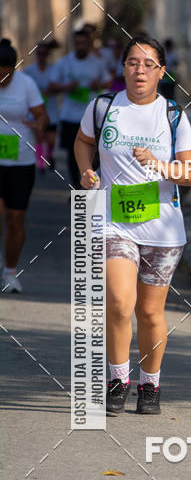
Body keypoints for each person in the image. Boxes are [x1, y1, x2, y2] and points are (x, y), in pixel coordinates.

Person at [75, 33, 191, 415]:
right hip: (114, 223)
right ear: (123, 68)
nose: (139, 71)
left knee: (149, 313)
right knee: (118, 301)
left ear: (161, 71)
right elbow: (83, 142)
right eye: (132, 63)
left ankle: (150, 384)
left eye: (148, 64)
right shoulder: (103, 106)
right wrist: (86, 170)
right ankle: (118, 379)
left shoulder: (173, 115)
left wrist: (158, 165)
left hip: (162, 228)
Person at [0, 38, 49, 293]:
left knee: (15, 219)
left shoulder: (26, 84)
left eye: (6, 74)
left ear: (13, 69)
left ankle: (10, 272)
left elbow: (42, 116)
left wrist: (39, 125)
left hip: (21, 161)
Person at [51, 29, 109, 188]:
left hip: (92, 115)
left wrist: (98, 85)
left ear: (89, 43)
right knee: (72, 153)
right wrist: (67, 87)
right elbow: (52, 85)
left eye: (83, 43)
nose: (80, 46)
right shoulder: (64, 62)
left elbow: (108, 82)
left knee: (95, 152)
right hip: (69, 116)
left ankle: (90, 185)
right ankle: (76, 187)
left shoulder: (97, 63)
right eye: (77, 43)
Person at [24, 40, 60, 172]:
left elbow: (59, 87)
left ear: (48, 55)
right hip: (36, 111)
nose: (42, 56)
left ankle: (49, 155)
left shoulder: (54, 70)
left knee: (51, 139)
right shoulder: (29, 71)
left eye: (44, 53)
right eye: (39, 53)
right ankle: (41, 163)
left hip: (51, 110)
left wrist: (53, 89)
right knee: (39, 136)